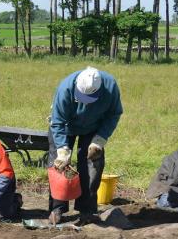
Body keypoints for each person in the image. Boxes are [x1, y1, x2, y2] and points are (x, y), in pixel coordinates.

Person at [47, 66, 123, 224]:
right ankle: (57, 208)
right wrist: (62, 150)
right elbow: (58, 121)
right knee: (58, 165)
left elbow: (114, 113)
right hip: (65, 127)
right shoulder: (65, 88)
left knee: (92, 165)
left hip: (93, 128)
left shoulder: (110, 87)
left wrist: (99, 140)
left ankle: (87, 210)